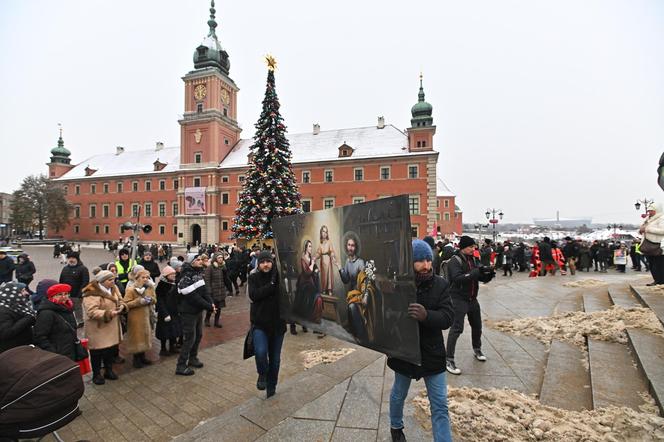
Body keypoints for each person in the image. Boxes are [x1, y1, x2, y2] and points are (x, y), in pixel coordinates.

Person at [387, 240, 454, 442]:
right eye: (419, 261)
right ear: (410, 262)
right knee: (398, 394)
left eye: (428, 259)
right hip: (404, 351)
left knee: (440, 404)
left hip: (432, 352)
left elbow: (448, 318)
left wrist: (427, 316)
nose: (426, 265)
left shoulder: (441, 284)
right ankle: (396, 427)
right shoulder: (397, 285)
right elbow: (386, 315)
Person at [446, 235, 495, 375]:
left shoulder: (473, 259)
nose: (473, 249)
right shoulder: (454, 261)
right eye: (470, 247)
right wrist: (475, 273)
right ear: (463, 247)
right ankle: (449, 358)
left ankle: (477, 349)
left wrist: (487, 274)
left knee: (477, 326)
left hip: (472, 299)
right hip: (458, 299)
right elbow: (457, 278)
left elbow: (478, 275)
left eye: (474, 247)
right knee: (457, 329)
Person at [249, 250, 286, 398]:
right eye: (262, 262)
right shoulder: (253, 278)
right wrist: (271, 284)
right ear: (258, 264)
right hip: (260, 324)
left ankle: (272, 387)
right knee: (260, 352)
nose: (266, 265)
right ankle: (262, 373)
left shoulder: (279, 277)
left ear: (272, 262)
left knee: (275, 360)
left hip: (278, 324)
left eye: (268, 261)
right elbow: (254, 295)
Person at [81, 271, 127, 385]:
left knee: (110, 350)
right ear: (101, 281)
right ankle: (96, 374)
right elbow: (91, 311)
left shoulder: (114, 288)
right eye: (110, 280)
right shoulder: (91, 293)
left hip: (111, 326)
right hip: (98, 327)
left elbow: (120, 299)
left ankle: (108, 370)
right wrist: (108, 313)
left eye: (113, 279)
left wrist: (122, 306)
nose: (113, 281)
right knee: (97, 352)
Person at [176, 255, 214, 376]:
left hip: (197, 311)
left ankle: (193, 358)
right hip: (188, 311)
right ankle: (181, 365)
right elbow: (192, 296)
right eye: (197, 260)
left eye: (200, 260)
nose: (200, 261)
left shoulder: (198, 273)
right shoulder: (186, 275)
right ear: (191, 262)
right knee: (189, 338)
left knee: (198, 335)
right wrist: (207, 306)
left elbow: (204, 291)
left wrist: (211, 303)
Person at [33, 284, 78, 361]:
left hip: (70, 351)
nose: (64, 297)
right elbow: (40, 336)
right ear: (52, 296)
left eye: (66, 294)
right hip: (58, 354)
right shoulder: (46, 313)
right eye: (59, 294)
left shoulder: (68, 308)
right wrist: (53, 352)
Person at [123, 269, 156, 368]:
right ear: (137, 278)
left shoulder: (150, 288)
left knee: (145, 336)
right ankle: (136, 359)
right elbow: (126, 304)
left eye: (147, 277)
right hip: (135, 318)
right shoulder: (131, 289)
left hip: (147, 317)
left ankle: (143, 357)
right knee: (137, 337)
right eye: (143, 277)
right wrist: (139, 301)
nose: (145, 279)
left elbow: (155, 299)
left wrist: (150, 300)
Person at [0, 282, 35, 353]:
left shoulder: (18, 306)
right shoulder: (3, 311)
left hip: (21, 347)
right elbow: (6, 333)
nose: (26, 293)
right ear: (12, 293)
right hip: (11, 351)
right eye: (22, 290)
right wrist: (27, 319)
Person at [155, 266, 181, 356]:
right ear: (166, 275)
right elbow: (160, 301)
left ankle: (172, 347)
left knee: (173, 330)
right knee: (164, 331)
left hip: (174, 311)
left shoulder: (174, 283)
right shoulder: (161, 286)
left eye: (174, 274)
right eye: (172, 274)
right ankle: (163, 349)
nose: (174, 275)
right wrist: (165, 313)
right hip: (165, 313)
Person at [58, 251, 89, 326]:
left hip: (77, 294)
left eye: (73, 258)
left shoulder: (83, 269)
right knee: (66, 308)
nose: (71, 260)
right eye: (69, 258)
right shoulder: (65, 269)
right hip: (66, 294)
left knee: (77, 308)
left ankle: (80, 321)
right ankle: (68, 321)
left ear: (77, 259)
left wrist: (80, 293)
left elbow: (85, 282)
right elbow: (61, 280)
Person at [639, 203, 664, 285]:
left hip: (657, 245)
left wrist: (647, 229)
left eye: (651, 210)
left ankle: (660, 281)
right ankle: (656, 280)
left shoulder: (661, 218)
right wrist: (641, 230)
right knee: (652, 264)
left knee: (658, 265)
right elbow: (643, 229)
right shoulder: (648, 219)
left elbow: (662, 231)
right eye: (648, 211)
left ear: (657, 210)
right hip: (648, 245)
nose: (649, 212)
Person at [204, 253, 228, 328]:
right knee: (211, 307)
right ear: (215, 259)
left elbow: (226, 279)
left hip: (221, 290)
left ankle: (216, 322)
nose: (221, 259)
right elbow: (207, 280)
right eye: (219, 258)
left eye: (221, 257)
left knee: (219, 307)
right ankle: (207, 319)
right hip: (213, 291)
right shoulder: (210, 268)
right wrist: (209, 291)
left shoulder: (223, 267)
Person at [316, 225, 337, 296]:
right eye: (323, 231)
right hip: (322, 262)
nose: (324, 233)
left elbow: (332, 251)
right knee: (323, 276)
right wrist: (315, 257)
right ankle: (324, 289)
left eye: (326, 232)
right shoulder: (320, 244)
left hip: (328, 260)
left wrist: (333, 256)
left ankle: (329, 289)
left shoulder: (329, 242)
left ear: (327, 234)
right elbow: (318, 253)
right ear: (321, 233)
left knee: (329, 275)